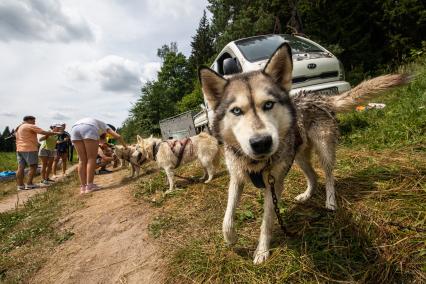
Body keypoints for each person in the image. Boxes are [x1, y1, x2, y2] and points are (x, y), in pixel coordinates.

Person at [70, 118, 127, 194]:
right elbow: (118, 136)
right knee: (91, 158)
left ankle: (83, 187)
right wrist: (125, 147)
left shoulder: (97, 125)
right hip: (88, 127)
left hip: (74, 128)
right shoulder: (106, 126)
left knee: (82, 160)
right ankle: (90, 185)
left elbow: (102, 140)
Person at [15, 116, 60, 190]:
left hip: (19, 149)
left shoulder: (19, 127)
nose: (34, 122)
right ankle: (29, 184)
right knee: (33, 166)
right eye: (33, 120)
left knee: (20, 167)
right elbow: (43, 132)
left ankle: (20, 185)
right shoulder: (29, 126)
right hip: (29, 148)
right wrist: (56, 133)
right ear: (29, 120)